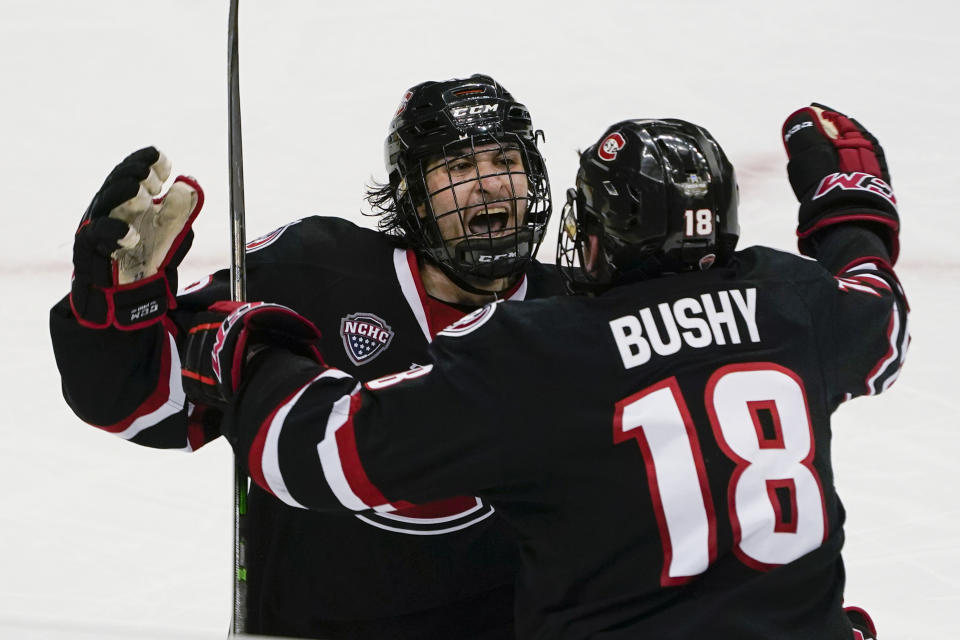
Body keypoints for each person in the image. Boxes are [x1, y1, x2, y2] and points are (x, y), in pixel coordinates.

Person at [194, 106, 906, 639]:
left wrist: (249, 348)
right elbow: (883, 317)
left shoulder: (543, 350)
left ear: (598, 237)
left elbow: (319, 454)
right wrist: (848, 202)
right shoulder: (793, 303)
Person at [50, 74, 567, 639]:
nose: (489, 184)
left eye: (503, 160)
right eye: (460, 169)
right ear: (413, 194)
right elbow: (137, 402)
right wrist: (118, 310)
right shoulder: (308, 274)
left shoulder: (578, 309)